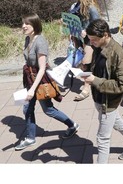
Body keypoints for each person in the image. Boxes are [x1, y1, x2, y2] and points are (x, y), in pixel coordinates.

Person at [15, 13, 79, 151]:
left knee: (48, 110)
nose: (23, 26)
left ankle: (72, 124)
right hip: (30, 78)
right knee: (27, 108)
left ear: (35, 25)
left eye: (27, 24)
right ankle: (30, 138)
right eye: (23, 23)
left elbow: (42, 68)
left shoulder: (40, 41)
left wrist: (32, 89)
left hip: (39, 80)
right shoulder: (28, 39)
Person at [82, 19, 123, 163]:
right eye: (90, 40)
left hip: (108, 102)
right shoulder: (99, 46)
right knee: (115, 120)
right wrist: (87, 68)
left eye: (94, 40)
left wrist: (94, 81)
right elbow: (99, 68)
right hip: (100, 98)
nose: (91, 43)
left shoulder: (118, 54)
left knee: (102, 139)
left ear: (105, 35)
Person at [72, 0, 101, 102]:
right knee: (83, 63)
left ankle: (86, 88)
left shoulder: (92, 9)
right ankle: (93, 80)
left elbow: (98, 25)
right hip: (79, 38)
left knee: (86, 62)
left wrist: (87, 31)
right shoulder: (76, 6)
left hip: (89, 39)